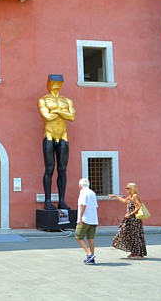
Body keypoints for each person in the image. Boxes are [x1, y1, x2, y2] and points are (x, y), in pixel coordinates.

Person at [37, 74, 76, 210]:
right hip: (49, 135)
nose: (55, 85)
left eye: (58, 83)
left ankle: (61, 200)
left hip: (63, 136)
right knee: (49, 169)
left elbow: (72, 117)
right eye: (53, 83)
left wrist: (55, 110)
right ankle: (48, 201)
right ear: (48, 83)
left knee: (63, 170)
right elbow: (47, 117)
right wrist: (62, 112)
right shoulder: (43, 100)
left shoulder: (67, 100)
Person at [109, 182, 147, 259]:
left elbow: (139, 206)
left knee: (135, 235)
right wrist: (116, 196)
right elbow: (124, 201)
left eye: (127, 188)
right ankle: (133, 252)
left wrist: (130, 214)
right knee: (129, 235)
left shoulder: (135, 196)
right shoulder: (130, 196)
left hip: (134, 220)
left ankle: (138, 253)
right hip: (129, 219)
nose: (126, 189)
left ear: (132, 189)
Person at [75, 178, 99, 265]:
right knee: (91, 239)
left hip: (85, 219)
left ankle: (89, 254)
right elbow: (95, 206)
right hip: (93, 219)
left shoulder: (83, 193)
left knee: (78, 237)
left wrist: (80, 217)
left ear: (80, 185)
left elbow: (83, 205)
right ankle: (92, 256)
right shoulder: (92, 193)